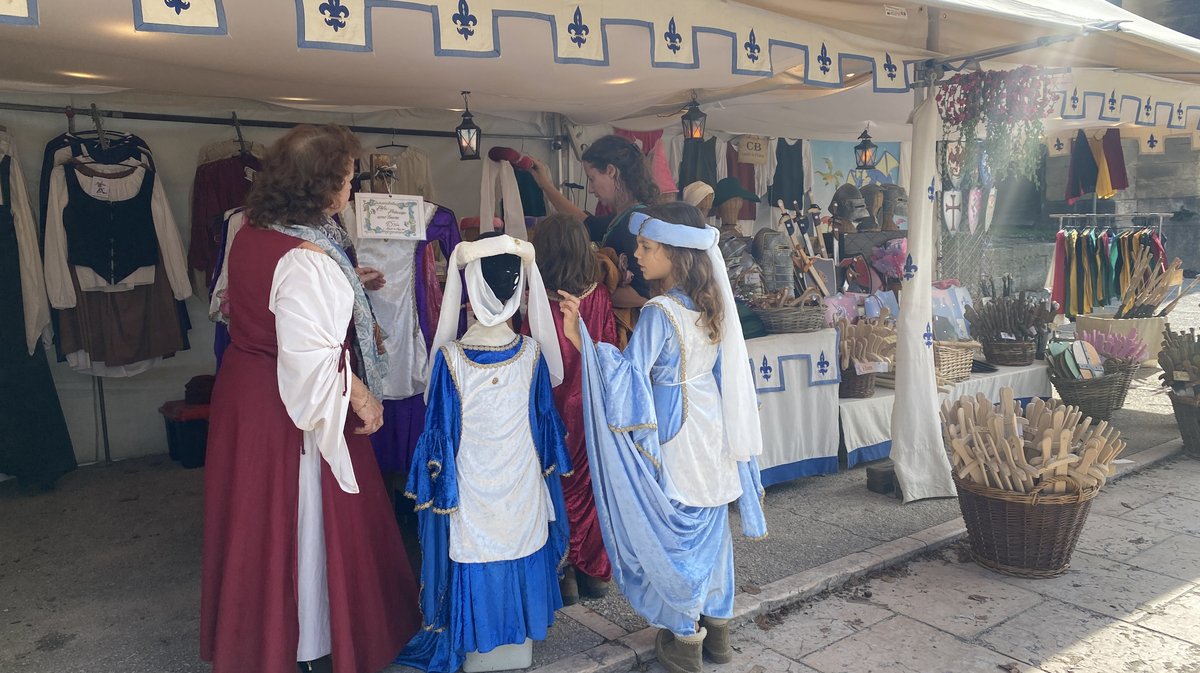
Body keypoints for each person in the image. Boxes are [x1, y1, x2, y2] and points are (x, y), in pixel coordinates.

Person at [201, 124, 420, 673]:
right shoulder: (306, 256)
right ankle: (306, 642)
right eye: (345, 180)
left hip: (248, 392)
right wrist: (363, 395)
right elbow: (314, 366)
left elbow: (257, 305)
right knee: (302, 525)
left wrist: (346, 281)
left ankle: (264, 636)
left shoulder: (254, 229)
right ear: (319, 186)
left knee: (258, 523)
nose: (349, 191)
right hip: (286, 407)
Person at [557, 202, 768, 673]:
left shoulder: (659, 312)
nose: (637, 253)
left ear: (677, 254)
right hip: (713, 431)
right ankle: (718, 633)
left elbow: (629, 380)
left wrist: (582, 341)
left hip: (676, 436)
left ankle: (685, 638)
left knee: (675, 538)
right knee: (712, 535)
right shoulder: (711, 305)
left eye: (648, 247)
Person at [396, 233, 569, 673]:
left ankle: (478, 643)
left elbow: (439, 438)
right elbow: (546, 437)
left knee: (472, 550)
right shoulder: (532, 354)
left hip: (470, 494)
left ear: (469, 291)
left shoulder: (450, 359)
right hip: (521, 492)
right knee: (521, 543)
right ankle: (516, 642)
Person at [525, 213, 618, 604]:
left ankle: (562, 575)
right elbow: (610, 349)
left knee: (551, 485)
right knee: (591, 485)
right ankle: (594, 572)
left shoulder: (531, 299)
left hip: (548, 406)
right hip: (590, 404)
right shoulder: (598, 296)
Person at [526, 134, 659, 307]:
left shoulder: (635, 223)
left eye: (591, 178)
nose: (589, 189)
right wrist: (545, 185)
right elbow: (586, 223)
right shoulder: (624, 217)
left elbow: (643, 294)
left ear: (611, 171)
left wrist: (584, 297)